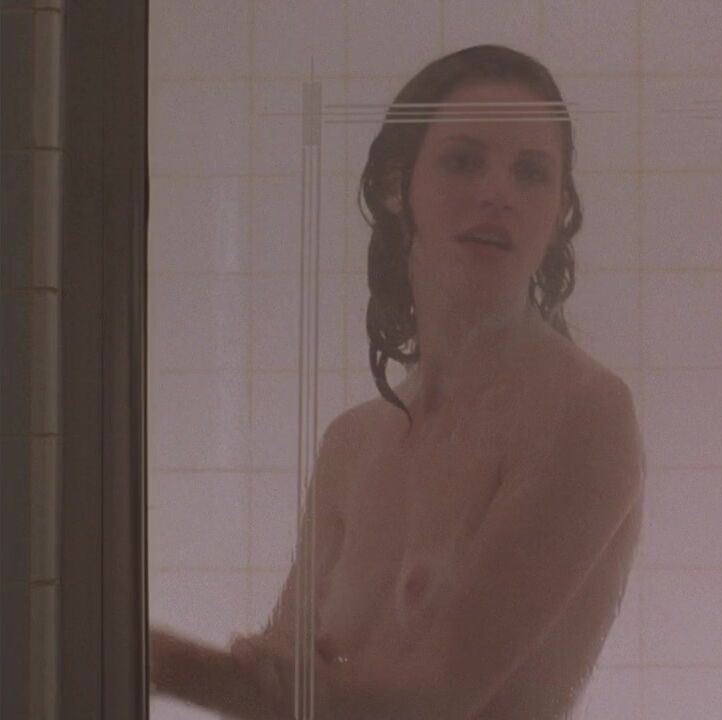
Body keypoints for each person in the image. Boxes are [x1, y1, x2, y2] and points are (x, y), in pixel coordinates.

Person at [149, 44, 645, 720]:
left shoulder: (582, 411)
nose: (498, 194)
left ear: (558, 210)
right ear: (394, 184)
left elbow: (434, 698)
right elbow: (276, 683)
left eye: (531, 172)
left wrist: (143, 652)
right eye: (463, 161)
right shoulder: (352, 442)